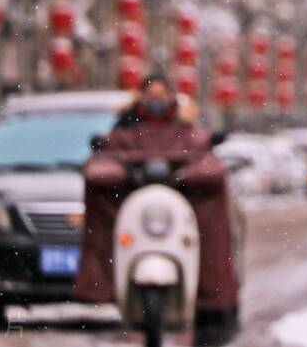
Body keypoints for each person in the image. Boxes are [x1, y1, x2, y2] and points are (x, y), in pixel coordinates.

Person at [75, 72, 240, 345]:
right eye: (150, 96)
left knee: (211, 230)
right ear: (140, 97)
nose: (156, 102)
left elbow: (205, 156)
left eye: (161, 96)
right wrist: (125, 173)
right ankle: (104, 282)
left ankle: (211, 291)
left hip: (179, 207)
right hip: (136, 209)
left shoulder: (186, 130)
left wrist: (187, 175)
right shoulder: (123, 130)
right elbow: (103, 163)